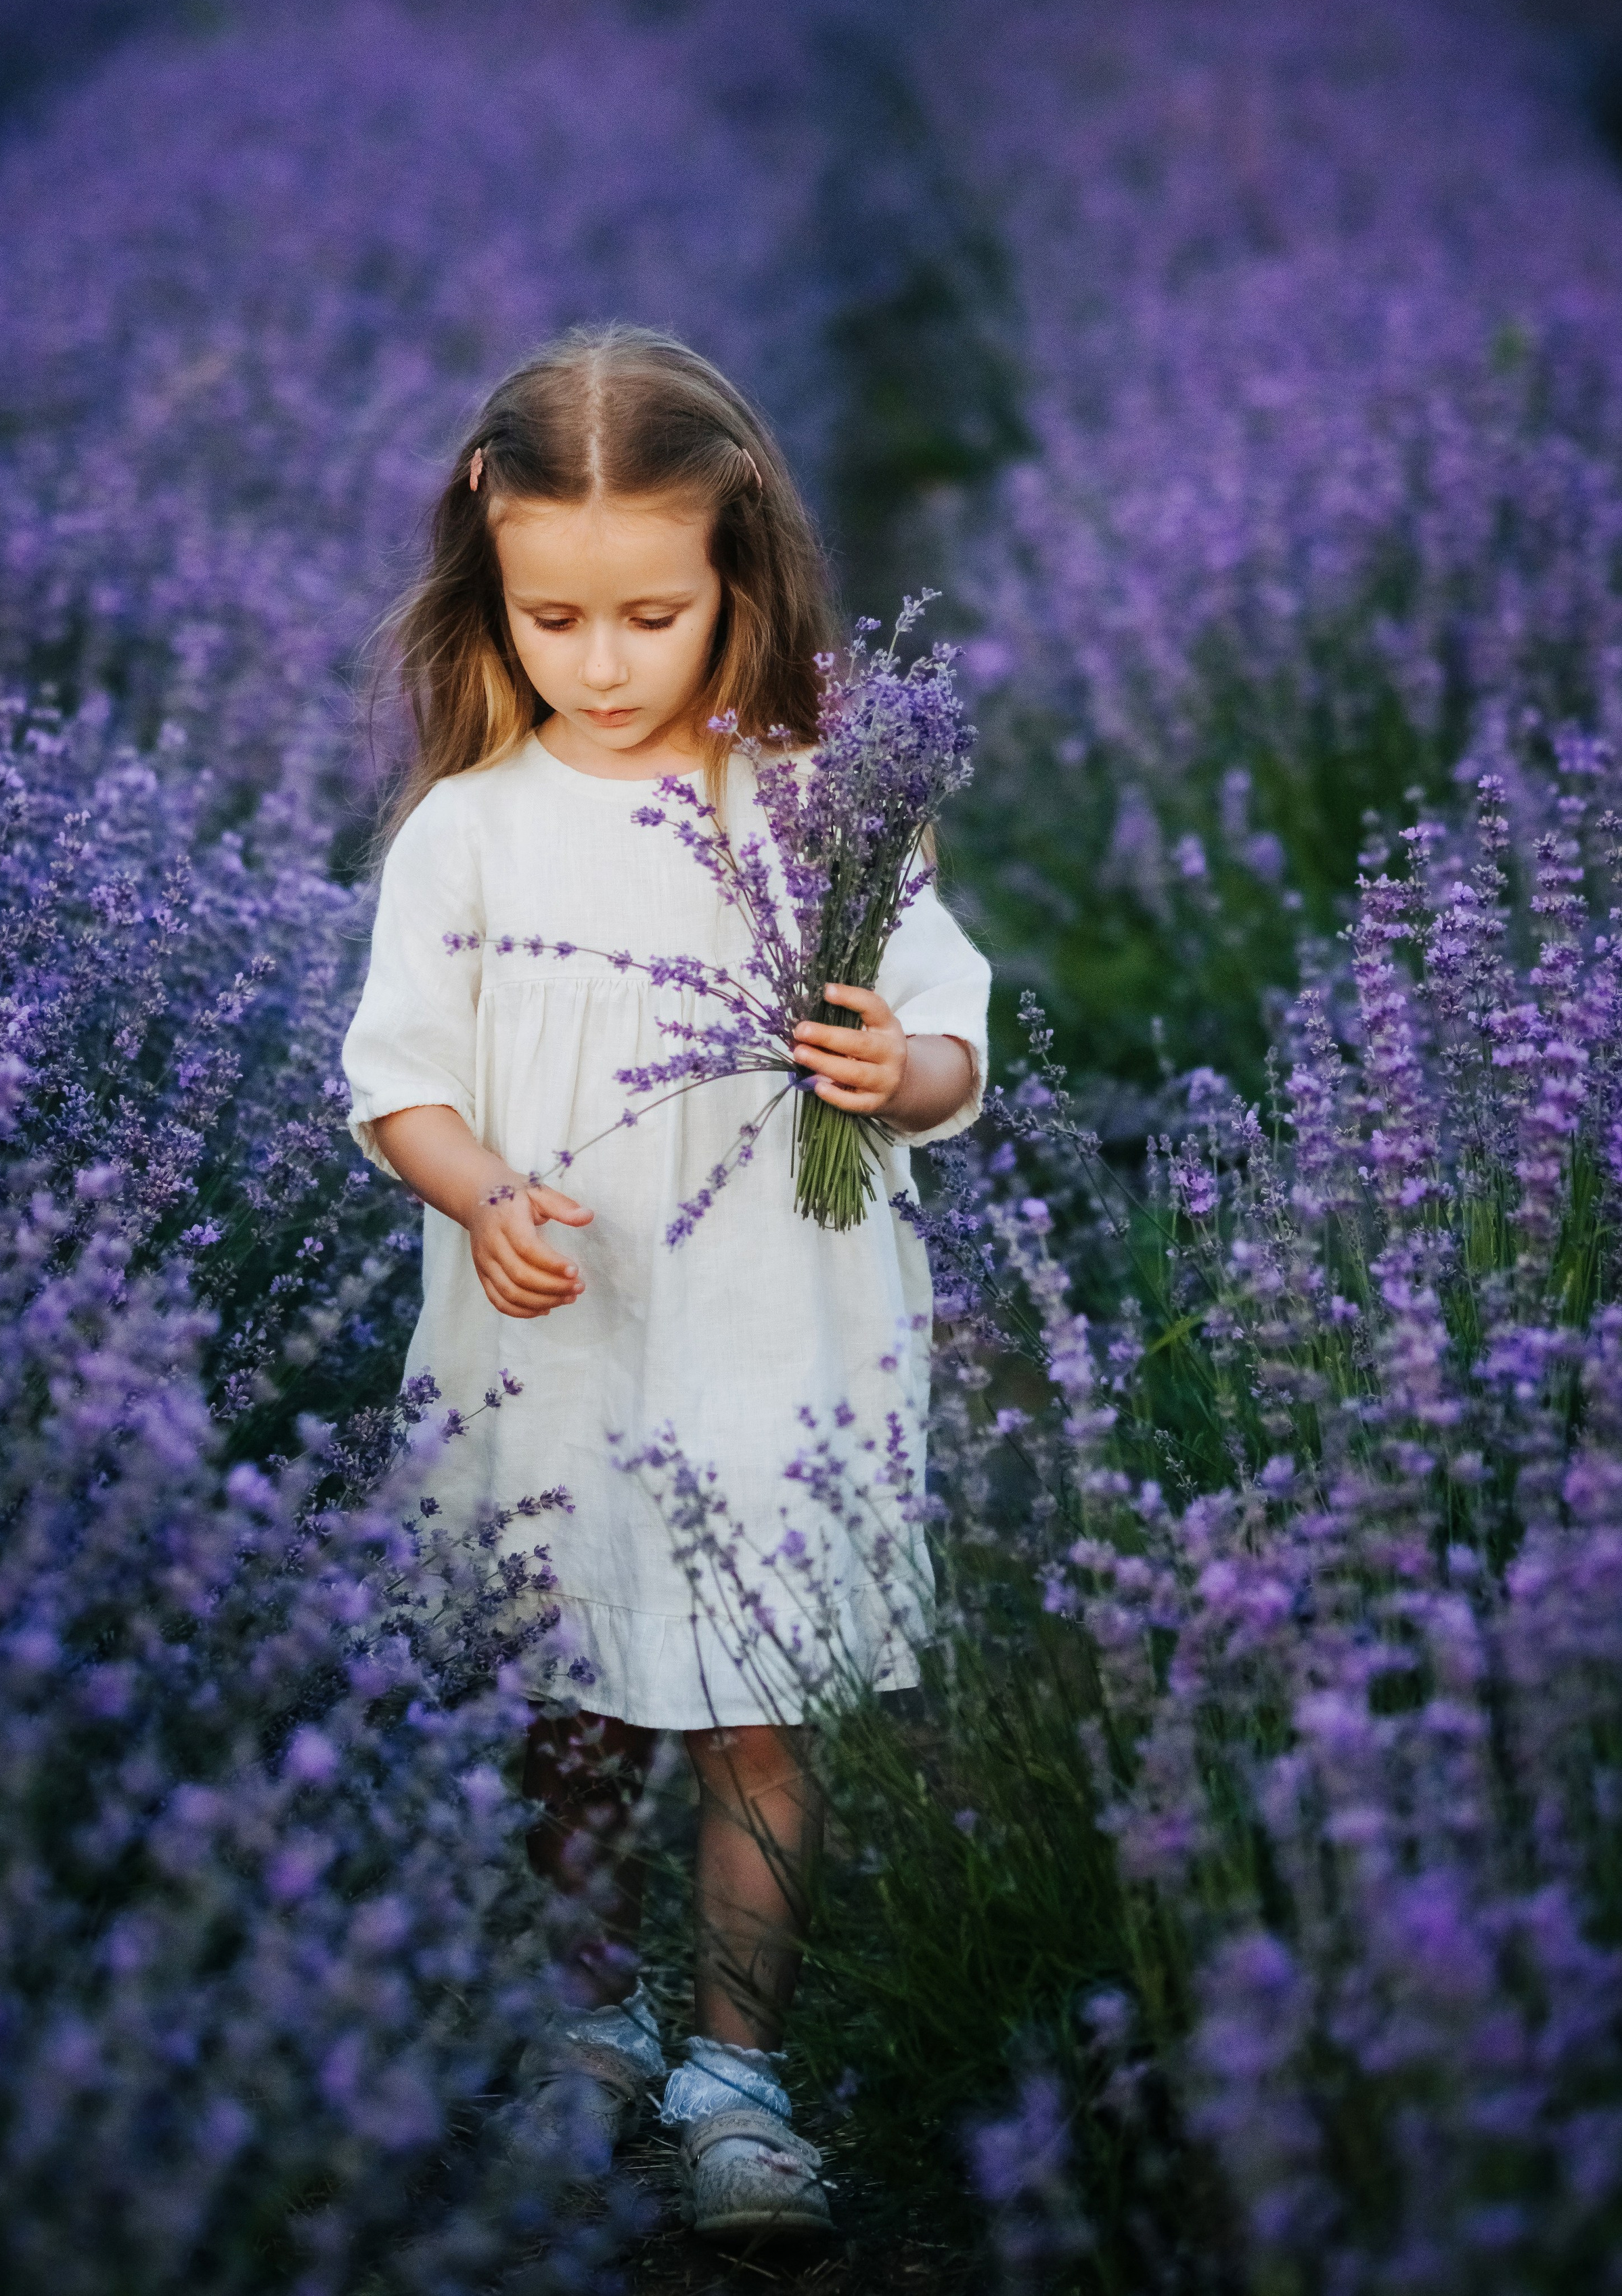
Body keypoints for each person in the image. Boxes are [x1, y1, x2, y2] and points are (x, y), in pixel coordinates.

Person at [341, 325, 989, 2237]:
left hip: (778, 1330)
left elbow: (947, 1032)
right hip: (546, 1336)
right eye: (556, 619)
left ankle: (735, 2062)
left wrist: (899, 1070)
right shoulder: (465, 831)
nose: (601, 664)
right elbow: (397, 1080)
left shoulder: (812, 804)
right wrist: (478, 1195)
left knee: (758, 1711)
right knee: (568, 1703)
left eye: (649, 616)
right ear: (491, 566)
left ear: (740, 574)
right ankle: (584, 2022)